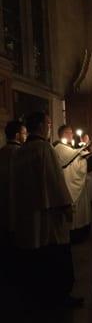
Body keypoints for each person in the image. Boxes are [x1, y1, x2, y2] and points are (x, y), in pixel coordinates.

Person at [12, 112, 82, 307]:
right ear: (41, 126)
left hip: (27, 212)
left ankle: (37, 295)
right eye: (48, 123)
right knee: (54, 255)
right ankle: (59, 296)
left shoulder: (21, 150)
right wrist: (66, 205)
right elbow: (55, 181)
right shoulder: (45, 148)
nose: (50, 126)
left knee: (35, 255)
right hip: (48, 211)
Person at [54, 125, 92, 242]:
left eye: (71, 132)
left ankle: (82, 232)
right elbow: (72, 160)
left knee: (82, 210)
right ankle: (75, 234)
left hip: (77, 182)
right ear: (62, 134)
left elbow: (76, 158)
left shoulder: (70, 149)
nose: (71, 135)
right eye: (69, 132)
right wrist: (83, 158)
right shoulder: (59, 148)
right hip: (69, 183)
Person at [0, 121, 27, 286]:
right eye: (24, 133)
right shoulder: (22, 153)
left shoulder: (2, 152)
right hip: (20, 202)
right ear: (17, 135)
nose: (26, 136)